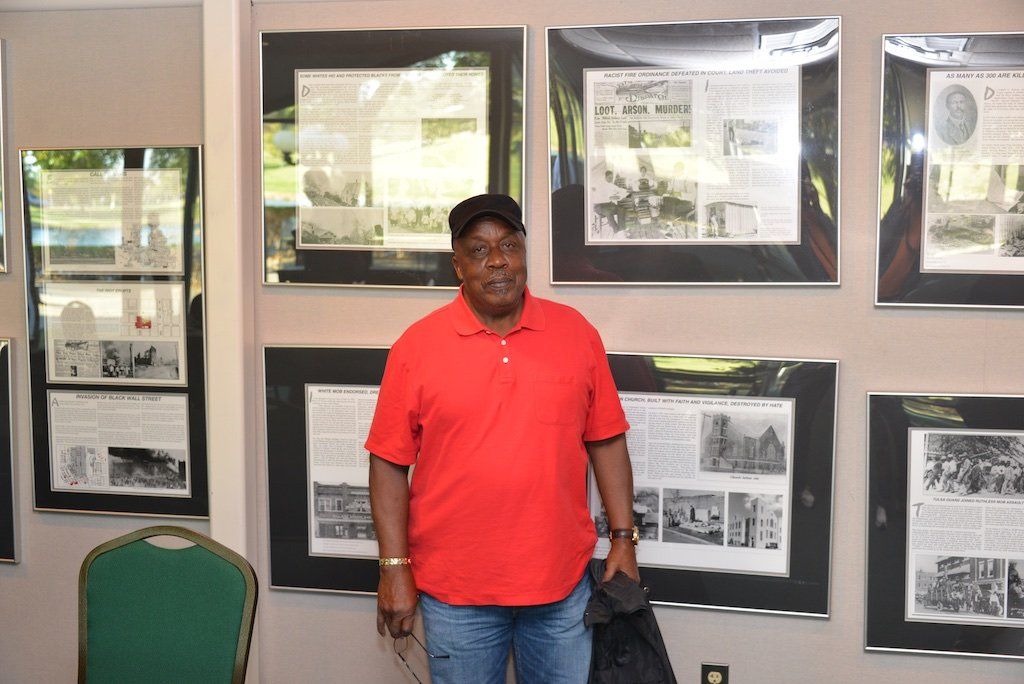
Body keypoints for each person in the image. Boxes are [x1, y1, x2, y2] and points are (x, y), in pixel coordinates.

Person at [367, 193, 638, 684]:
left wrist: (623, 539)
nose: (497, 261)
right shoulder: (415, 347)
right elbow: (388, 461)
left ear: (523, 254)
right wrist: (393, 568)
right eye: (479, 249)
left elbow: (606, 440)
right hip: (456, 594)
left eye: (509, 245)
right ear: (458, 266)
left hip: (560, 589)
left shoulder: (576, 333)